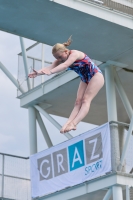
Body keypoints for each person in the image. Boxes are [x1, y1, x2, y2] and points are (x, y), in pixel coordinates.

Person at [28, 36, 104, 133]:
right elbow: (49, 67)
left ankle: (74, 123)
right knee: (77, 102)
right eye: (57, 58)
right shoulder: (60, 59)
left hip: (96, 76)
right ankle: (68, 123)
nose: (59, 60)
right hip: (85, 78)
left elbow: (64, 66)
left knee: (85, 100)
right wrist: (38, 73)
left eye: (60, 57)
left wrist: (51, 72)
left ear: (66, 51)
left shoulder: (74, 54)